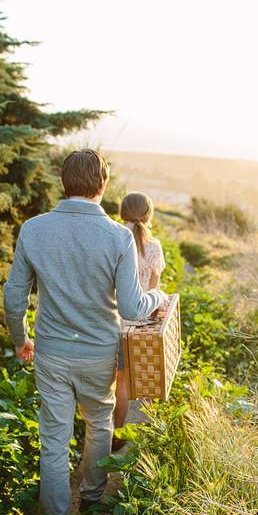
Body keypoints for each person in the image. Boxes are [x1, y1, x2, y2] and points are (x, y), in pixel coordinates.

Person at [3, 150, 168, 515]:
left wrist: (20, 339)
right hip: (99, 353)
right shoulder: (117, 236)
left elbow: (13, 295)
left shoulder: (33, 229)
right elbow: (132, 308)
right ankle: (92, 498)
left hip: (51, 353)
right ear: (103, 185)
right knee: (99, 422)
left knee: (53, 441)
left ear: (63, 183)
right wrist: (159, 296)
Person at [112, 192, 166, 450]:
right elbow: (154, 290)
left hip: (114, 318)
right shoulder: (153, 247)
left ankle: (115, 432)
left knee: (117, 380)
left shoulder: (112, 237)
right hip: (141, 322)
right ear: (147, 214)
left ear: (123, 212)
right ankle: (153, 435)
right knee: (144, 378)